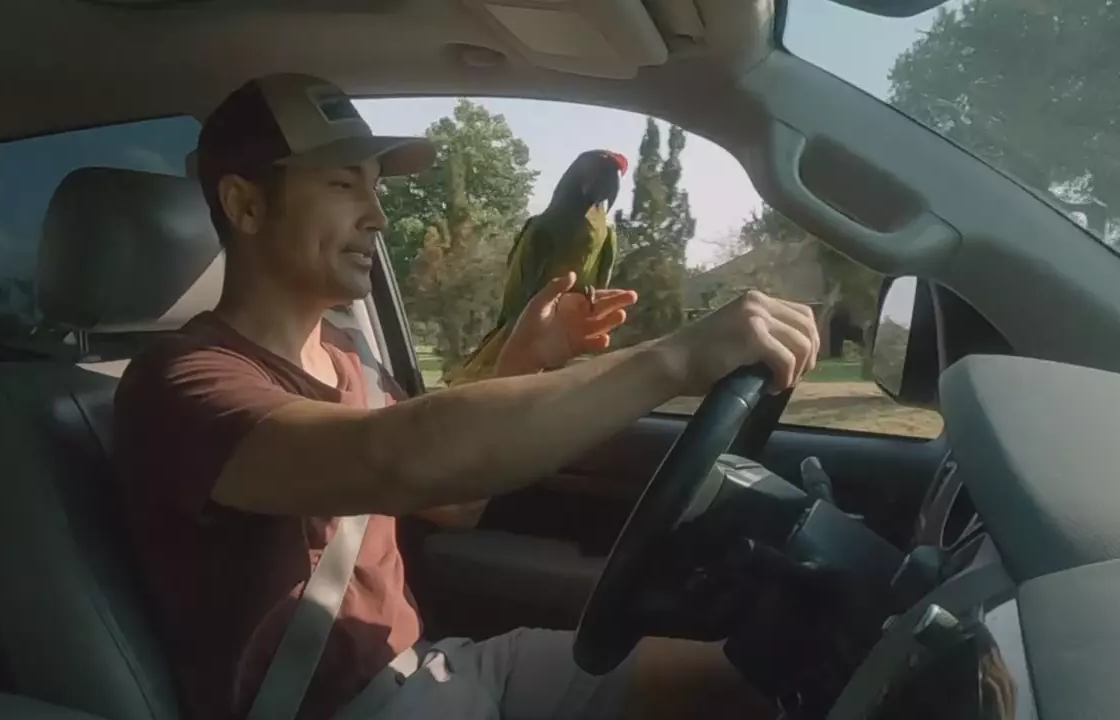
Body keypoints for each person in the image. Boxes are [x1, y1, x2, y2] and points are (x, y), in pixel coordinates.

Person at [113, 73, 821, 720]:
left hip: (436, 670)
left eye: (375, 187)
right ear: (245, 204)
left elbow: (458, 504)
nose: (377, 216)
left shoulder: (347, 358)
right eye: (342, 185)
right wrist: (674, 358)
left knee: (753, 685)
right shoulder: (183, 384)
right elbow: (400, 457)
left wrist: (523, 361)